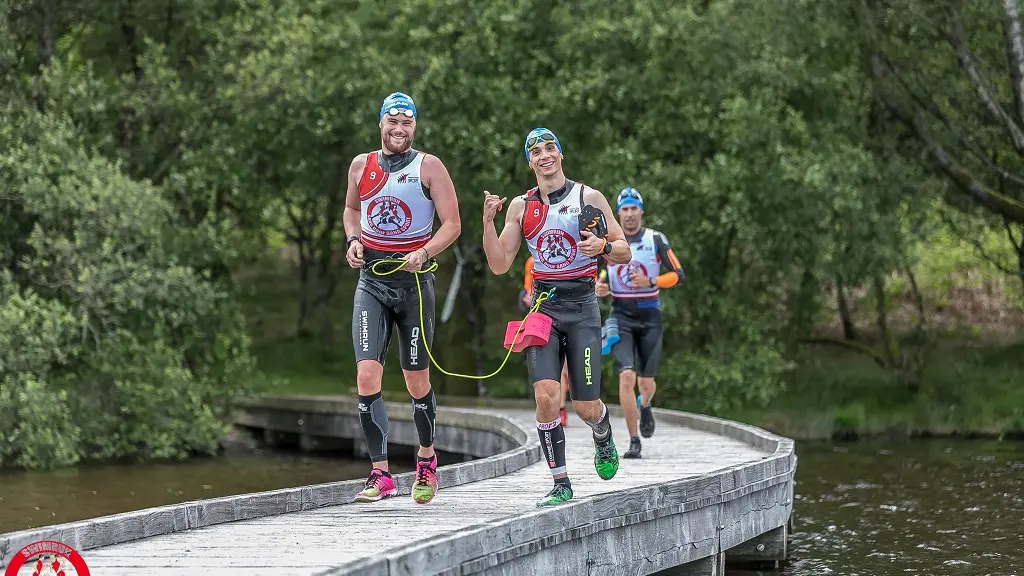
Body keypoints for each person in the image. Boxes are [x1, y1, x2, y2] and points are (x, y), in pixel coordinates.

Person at [482, 127, 632, 507]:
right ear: (529, 161)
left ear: (560, 155)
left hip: (582, 306)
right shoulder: (520, 207)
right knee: (546, 397)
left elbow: (624, 252)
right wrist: (487, 224)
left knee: (584, 406)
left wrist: (602, 246)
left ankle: (602, 432)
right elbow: (500, 264)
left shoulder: (589, 197)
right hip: (544, 306)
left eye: (551, 148)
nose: (545, 155)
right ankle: (560, 482)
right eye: (536, 151)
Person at [343, 92, 462, 504]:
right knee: (366, 376)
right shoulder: (362, 165)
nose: (399, 130)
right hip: (372, 280)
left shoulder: (429, 166)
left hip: (413, 283)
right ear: (380, 124)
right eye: (392, 123)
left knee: (416, 380)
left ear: (414, 126)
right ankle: (380, 474)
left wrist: (425, 251)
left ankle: (427, 459)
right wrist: (353, 239)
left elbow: (452, 224)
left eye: (406, 124)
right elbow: (352, 210)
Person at [595, 187, 684, 459]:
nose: (630, 214)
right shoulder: (608, 241)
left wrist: (652, 281)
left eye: (635, 209)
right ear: (618, 213)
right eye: (625, 209)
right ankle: (634, 440)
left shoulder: (655, 239)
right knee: (626, 375)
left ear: (641, 211)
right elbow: (599, 272)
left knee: (646, 383)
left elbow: (678, 274)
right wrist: (601, 286)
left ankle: (645, 404)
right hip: (620, 315)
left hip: (649, 316)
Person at [521, 256, 571, 426]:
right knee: (554, 366)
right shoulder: (532, 261)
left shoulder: (571, 254)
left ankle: (562, 406)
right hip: (543, 317)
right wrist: (526, 298)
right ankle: (558, 409)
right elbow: (528, 289)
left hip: (570, 314)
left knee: (564, 365)